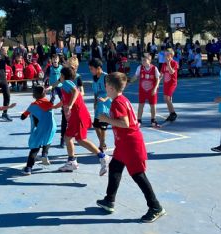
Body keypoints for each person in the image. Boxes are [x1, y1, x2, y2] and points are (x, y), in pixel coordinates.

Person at [96, 72, 166, 223]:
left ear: (111, 88)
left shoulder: (118, 102)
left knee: (138, 175)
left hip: (131, 144)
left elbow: (125, 123)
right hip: (123, 144)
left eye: (106, 86)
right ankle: (109, 200)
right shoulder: (119, 98)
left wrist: (105, 118)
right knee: (115, 167)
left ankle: (155, 207)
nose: (105, 88)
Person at [56, 66, 108, 174]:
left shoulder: (67, 83)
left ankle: (102, 157)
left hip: (79, 114)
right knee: (73, 138)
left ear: (63, 76)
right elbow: (65, 100)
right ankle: (72, 161)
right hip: (77, 115)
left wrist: (70, 105)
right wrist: (52, 107)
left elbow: (76, 92)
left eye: (60, 75)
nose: (59, 77)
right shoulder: (65, 86)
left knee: (76, 138)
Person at [19, 85, 60, 175]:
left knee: (35, 148)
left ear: (34, 95)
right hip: (51, 127)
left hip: (40, 128)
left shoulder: (33, 105)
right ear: (44, 94)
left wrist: (26, 113)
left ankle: (28, 168)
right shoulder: (50, 104)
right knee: (48, 140)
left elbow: (23, 117)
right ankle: (44, 154)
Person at [130, 53, 161, 127]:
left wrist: (155, 88)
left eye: (144, 60)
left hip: (152, 90)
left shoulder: (154, 68)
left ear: (149, 60)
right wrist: (129, 81)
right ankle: (139, 120)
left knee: (153, 106)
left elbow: (158, 79)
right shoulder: (139, 68)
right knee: (141, 105)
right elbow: (135, 77)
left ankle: (153, 120)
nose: (143, 62)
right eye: (142, 60)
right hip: (142, 90)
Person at [89, 57, 111, 152]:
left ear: (98, 68)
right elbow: (95, 92)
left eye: (91, 69)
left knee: (103, 127)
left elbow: (111, 91)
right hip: (99, 105)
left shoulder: (106, 77)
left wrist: (105, 99)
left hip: (106, 105)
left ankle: (101, 147)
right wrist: (95, 102)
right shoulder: (94, 78)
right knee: (96, 125)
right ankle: (103, 143)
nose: (90, 71)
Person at [160, 48, 178, 123]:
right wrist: (157, 81)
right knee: (167, 99)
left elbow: (171, 72)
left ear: (171, 55)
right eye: (165, 55)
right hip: (166, 83)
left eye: (167, 55)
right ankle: (171, 113)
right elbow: (161, 74)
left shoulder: (174, 63)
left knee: (167, 98)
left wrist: (168, 63)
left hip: (172, 83)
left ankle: (173, 113)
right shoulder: (164, 64)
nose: (166, 56)